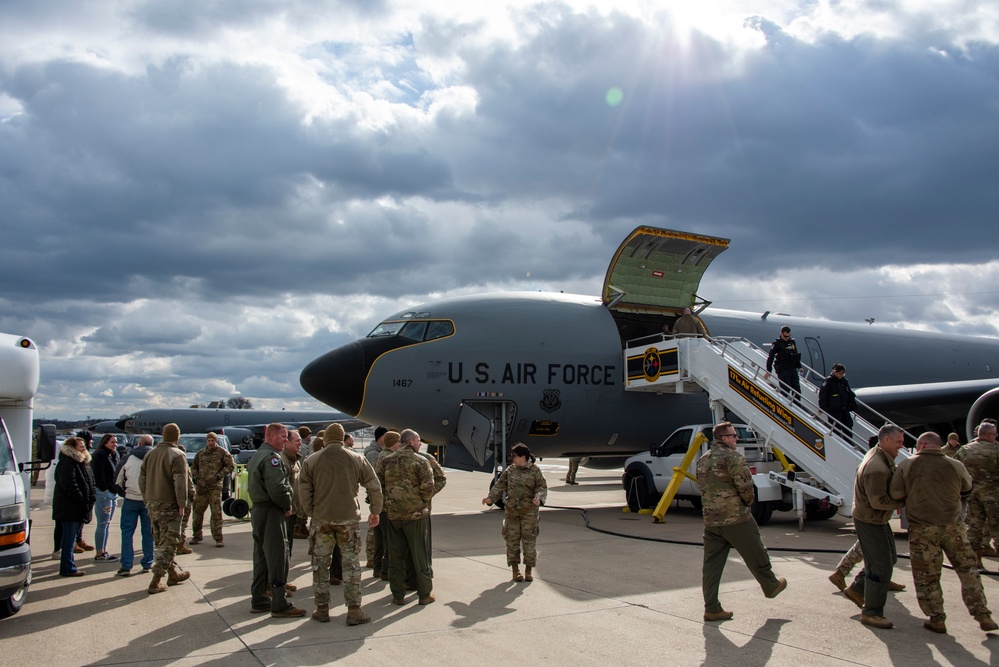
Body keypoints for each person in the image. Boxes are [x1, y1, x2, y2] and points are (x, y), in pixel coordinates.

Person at [889, 431, 998, 633]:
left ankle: (937, 618)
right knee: (968, 571)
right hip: (954, 527)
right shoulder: (955, 464)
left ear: (921, 445)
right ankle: (982, 614)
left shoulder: (907, 465)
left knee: (927, 575)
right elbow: (967, 486)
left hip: (922, 529)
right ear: (938, 446)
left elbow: (896, 492)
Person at [696, 422, 787, 621]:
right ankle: (770, 585)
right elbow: (746, 487)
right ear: (724, 438)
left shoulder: (703, 459)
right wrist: (747, 503)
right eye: (734, 435)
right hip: (735, 517)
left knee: (711, 566)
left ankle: (711, 607)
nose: (736, 439)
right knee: (757, 552)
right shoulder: (733, 457)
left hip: (712, 520)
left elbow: (701, 486)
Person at [300, 421, 383, 625]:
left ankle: (321, 609)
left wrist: (312, 512)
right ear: (343, 438)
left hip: (322, 520)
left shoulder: (312, 459)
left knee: (320, 565)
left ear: (326, 439)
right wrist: (375, 511)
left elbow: (303, 489)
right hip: (348, 519)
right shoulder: (357, 458)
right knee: (351, 565)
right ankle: (354, 610)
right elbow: (374, 486)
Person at [841, 423, 906, 629]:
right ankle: (871, 612)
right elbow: (877, 501)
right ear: (886, 440)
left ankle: (858, 588)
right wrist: (903, 502)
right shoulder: (877, 467)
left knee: (889, 558)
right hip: (870, 519)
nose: (900, 447)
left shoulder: (881, 456)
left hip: (877, 519)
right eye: (898, 442)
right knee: (881, 565)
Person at [247, 423, 305, 618]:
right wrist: (287, 504)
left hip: (259, 511)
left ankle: (259, 598)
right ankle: (279, 604)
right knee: (278, 556)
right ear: (271, 436)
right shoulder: (272, 458)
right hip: (271, 511)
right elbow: (278, 488)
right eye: (283, 437)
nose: (286, 441)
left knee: (261, 556)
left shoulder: (258, 455)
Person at [380, 428, 436, 606]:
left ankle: (397, 595)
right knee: (419, 555)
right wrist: (421, 504)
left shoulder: (386, 461)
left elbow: (378, 485)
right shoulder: (420, 461)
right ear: (411, 441)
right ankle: (424, 594)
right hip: (415, 516)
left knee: (396, 557)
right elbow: (428, 487)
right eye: (419, 441)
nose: (421, 444)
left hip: (394, 515)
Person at [138, 423, 192, 594]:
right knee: (169, 543)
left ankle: (173, 573)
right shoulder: (177, 455)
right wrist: (182, 504)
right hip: (170, 504)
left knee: (161, 540)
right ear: (177, 437)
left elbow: (142, 479)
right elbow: (180, 483)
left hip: (153, 503)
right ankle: (156, 581)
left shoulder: (150, 454)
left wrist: (148, 499)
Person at [482, 443, 548, 582]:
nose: (513, 459)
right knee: (512, 541)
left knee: (529, 542)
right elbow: (500, 485)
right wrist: (490, 498)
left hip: (529, 512)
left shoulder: (535, 471)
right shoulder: (510, 470)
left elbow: (541, 486)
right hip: (512, 511)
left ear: (523, 457)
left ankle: (528, 570)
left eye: (515, 456)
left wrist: (539, 498)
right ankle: (515, 571)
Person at [955, 421, 999, 567]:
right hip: (994, 495)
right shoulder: (996, 449)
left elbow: (956, 470)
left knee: (974, 527)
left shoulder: (964, 450)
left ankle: (975, 561)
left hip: (972, 494)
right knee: (997, 527)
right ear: (990, 435)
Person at [52, 436, 97, 577]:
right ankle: (67, 567)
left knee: (72, 538)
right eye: (80, 446)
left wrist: (91, 497)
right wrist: (82, 500)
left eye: (84, 445)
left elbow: (91, 482)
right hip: (70, 508)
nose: (84, 447)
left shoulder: (83, 463)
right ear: (72, 448)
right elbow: (69, 485)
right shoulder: (67, 463)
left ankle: (69, 566)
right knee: (69, 538)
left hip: (80, 507)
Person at [114, 434, 155, 576]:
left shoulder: (128, 457)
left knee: (127, 533)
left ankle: (126, 565)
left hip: (131, 498)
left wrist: (124, 493)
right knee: (149, 533)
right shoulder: (155, 458)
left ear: (139, 443)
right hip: (149, 500)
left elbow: (117, 479)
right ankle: (148, 563)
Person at [190, 432, 235, 547]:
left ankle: (218, 538)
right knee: (197, 512)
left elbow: (230, 466)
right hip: (201, 488)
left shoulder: (222, 452)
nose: (211, 443)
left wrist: (219, 476)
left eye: (213, 441)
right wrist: (197, 478)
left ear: (216, 441)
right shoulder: (200, 453)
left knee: (216, 513)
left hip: (215, 488)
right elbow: (194, 467)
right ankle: (196, 536)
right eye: (209, 441)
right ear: (206, 441)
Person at [374, 430, 402, 581]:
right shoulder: (389, 458)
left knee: (379, 537)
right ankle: (386, 570)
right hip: (387, 505)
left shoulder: (381, 455)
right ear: (392, 443)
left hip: (379, 503)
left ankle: (378, 567)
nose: (400, 444)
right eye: (398, 442)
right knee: (389, 539)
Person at [90, 433, 122, 562]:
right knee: (102, 523)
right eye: (112, 442)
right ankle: (99, 553)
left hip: (112, 492)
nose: (115, 445)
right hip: (104, 493)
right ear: (105, 443)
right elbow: (98, 473)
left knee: (107, 524)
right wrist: (104, 488)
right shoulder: (100, 455)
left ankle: (104, 550)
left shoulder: (114, 455)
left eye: (115, 442)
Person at [363, 427, 388, 569]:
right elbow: (374, 477)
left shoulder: (376, 451)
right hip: (376, 494)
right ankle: (371, 557)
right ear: (381, 437)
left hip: (377, 494)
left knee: (376, 528)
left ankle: (374, 557)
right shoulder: (374, 453)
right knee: (375, 528)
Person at [765, 326, 802, 399]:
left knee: (797, 391)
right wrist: (768, 370)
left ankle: (797, 407)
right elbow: (771, 357)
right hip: (783, 369)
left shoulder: (792, 342)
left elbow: (796, 355)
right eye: (785, 336)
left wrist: (799, 366)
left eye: (789, 336)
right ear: (781, 333)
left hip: (792, 368)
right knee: (786, 390)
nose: (787, 338)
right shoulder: (777, 344)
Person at [818, 363, 857, 432]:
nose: (841, 376)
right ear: (835, 372)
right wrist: (822, 407)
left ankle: (848, 442)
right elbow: (822, 395)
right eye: (840, 374)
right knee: (836, 428)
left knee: (848, 426)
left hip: (844, 408)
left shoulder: (844, 381)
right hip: (833, 409)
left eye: (843, 374)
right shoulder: (828, 381)